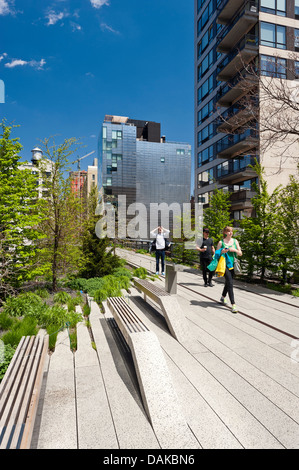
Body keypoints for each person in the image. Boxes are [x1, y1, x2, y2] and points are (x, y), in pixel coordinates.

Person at [216, 226, 242, 314]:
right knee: (230, 283)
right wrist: (222, 251)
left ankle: (223, 297)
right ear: (225, 233)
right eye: (229, 231)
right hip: (224, 265)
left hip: (233, 265)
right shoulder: (221, 242)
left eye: (231, 231)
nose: (231, 233)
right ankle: (233, 304)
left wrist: (234, 250)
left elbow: (240, 253)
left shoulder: (235, 241)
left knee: (228, 282)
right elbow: (216, 255)